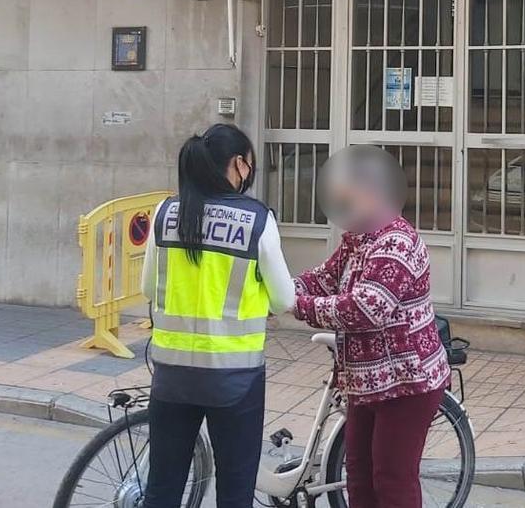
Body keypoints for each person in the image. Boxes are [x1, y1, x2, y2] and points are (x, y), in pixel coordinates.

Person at [140, 123, 294, 508]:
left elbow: (148, 288)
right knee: (235, 492)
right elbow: (284, 299)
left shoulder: (166, 213)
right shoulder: (256, 219)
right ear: (239, 164)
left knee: (162, 488)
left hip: (171, 376)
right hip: (234, 381)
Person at [291, 146, 451, 508]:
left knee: (392, 478)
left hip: (407, 383)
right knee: (359, 475)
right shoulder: (358, 239)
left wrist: (299, 307)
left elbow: (366, 308)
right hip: (366, 381)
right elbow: (324, 278)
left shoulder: (397, 242)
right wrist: (282, 289)